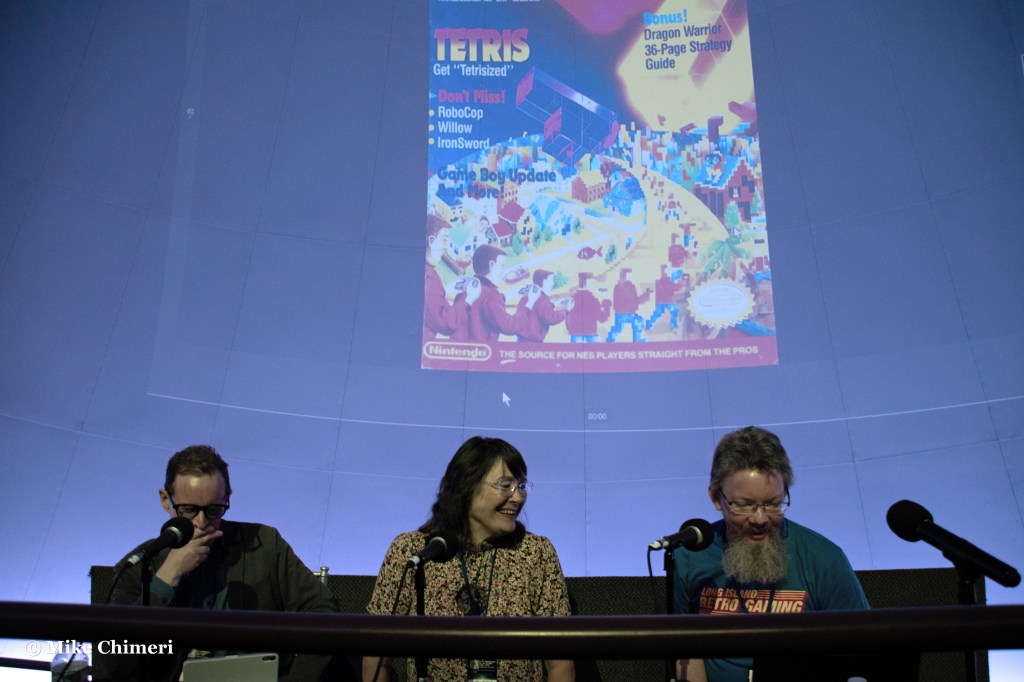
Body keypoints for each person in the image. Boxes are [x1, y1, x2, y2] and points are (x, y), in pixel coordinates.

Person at [94, 445, 340, 682]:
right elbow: (116, 664)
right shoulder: (139, 565)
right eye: (188, 509)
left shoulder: (265, 545)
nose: (201, 522)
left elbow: (323, 613)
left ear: (227, 498)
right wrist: (167, 576)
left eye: (214, 509)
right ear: (165, 500)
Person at [363, 436, 574, 682]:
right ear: (467, 486)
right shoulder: (413, 552)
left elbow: (560, 663)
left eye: (521, 486)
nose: (518, 498)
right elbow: (376, 657)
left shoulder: (536, 553)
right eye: (506, 486)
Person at [673, 426, 869, 682]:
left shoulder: (825, 559)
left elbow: (862, 651)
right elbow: (686, 650)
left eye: (773, 504)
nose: (760, 519)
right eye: (744, 505)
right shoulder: (690, 557)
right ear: (716, 498)